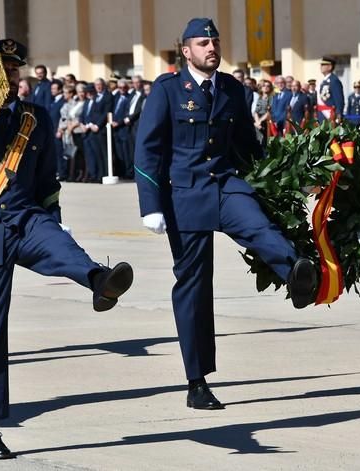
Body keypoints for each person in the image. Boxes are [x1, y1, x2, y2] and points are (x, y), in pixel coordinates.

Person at [0, 39, 134, 460]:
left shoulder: (36, 117)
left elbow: (47, 183)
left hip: (27, 217)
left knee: (63, 246)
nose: (13, 77)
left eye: (16, 70)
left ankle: (99, 281)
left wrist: (54, 218)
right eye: (5, 70)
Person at [134, 18, 317, 411]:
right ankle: (196, 382)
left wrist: (289, 181)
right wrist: (150, 205)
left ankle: (296, 275)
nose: (211, 48)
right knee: (194, 287)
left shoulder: (234, 89)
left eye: (215, 41)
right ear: (186, 51)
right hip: (185, 195)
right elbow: (147, 149)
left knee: (260, 226)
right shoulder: (167, 90)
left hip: (226, 185)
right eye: (203, 43)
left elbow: (248, 149)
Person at [317, 56, 344, 123]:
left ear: (330, 67)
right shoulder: (324, 81)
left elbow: (339, 100)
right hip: (322, 115)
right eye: (321, 65)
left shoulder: (334, 81)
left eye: (323, 65)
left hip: (330, 115)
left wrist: (339, 113)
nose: (321, 66)